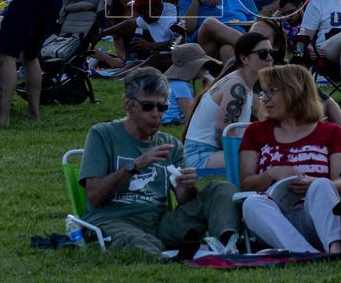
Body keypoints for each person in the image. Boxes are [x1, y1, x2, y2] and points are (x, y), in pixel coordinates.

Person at [78, 67, 240, 255]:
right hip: (114, 220)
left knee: (222, 189)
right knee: (140, 243)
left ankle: (228, 245)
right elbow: (95, 194)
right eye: (148, 106)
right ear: (128, 104)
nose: (156, 113)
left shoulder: (170, 144)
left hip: (160, 223)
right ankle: (166, 259)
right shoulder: (102, 134)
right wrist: (135, 166)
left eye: (162, 107)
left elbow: (184, 201)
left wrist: (186, 187)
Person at [239, 64, 341, 254]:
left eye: (273, 91)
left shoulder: (331, 132)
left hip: (315, 217)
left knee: (321, 186)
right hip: (276, 220)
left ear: (295, 91)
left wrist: (314, 182)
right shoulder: (255, 132)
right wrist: (271, 173)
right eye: (264, 92)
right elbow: (246, 184)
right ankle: (304, 253)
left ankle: (335, 249)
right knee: (251, 203)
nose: (265, 99)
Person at [182, 32, 275, 170]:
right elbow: (223, 133)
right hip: (201, 154)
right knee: (267, 158)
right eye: (262, 53)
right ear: (244, 58)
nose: (269, 58)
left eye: (271, 52)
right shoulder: (237, 87)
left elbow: (266, 118)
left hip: (208, 151)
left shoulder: (245, 85)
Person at [162, 43, 219, 126]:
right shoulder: (180, 85)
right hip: (173, 122)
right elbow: (190, 114)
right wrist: (208, 89)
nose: (205, 69)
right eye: (203, 65)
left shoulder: (180, 83)